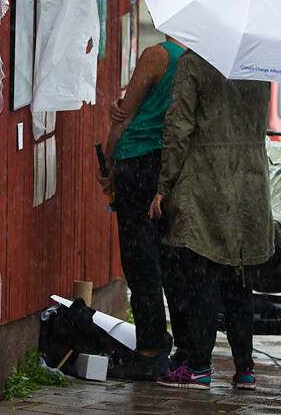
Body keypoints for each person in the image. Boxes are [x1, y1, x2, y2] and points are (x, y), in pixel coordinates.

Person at [149, 50, 273, 391]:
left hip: (207, 181)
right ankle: (245, 368)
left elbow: (178, 127)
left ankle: (199, 365)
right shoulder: (260, 61)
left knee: (202, 277)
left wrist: (164, 185)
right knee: (240, 279)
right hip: (250, 181)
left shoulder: (195, 62)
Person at [96, 37, 185, 381]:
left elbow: (124, 116)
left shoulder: (156, 56)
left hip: (137, 162)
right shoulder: (193, 61)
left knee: (139, 258)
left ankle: (149, 350)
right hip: (170, 165)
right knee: (169, 259)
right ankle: (182, 346)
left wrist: (107, 161)